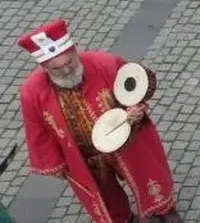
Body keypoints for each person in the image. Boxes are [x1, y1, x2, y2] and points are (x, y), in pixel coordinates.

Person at [17, 20, 179, 222]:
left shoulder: (105, 64)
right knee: (106, 196)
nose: (66, 70)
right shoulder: (32, 92)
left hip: (127, 141)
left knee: (147, 174)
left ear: (75, 51)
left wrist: (135, 110)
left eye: (69, 63)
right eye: (57, 69)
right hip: (86, 155)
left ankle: (162, 211)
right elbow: (37, 130)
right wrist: (54, 163)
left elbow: (134, 90)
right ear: (44, 67)